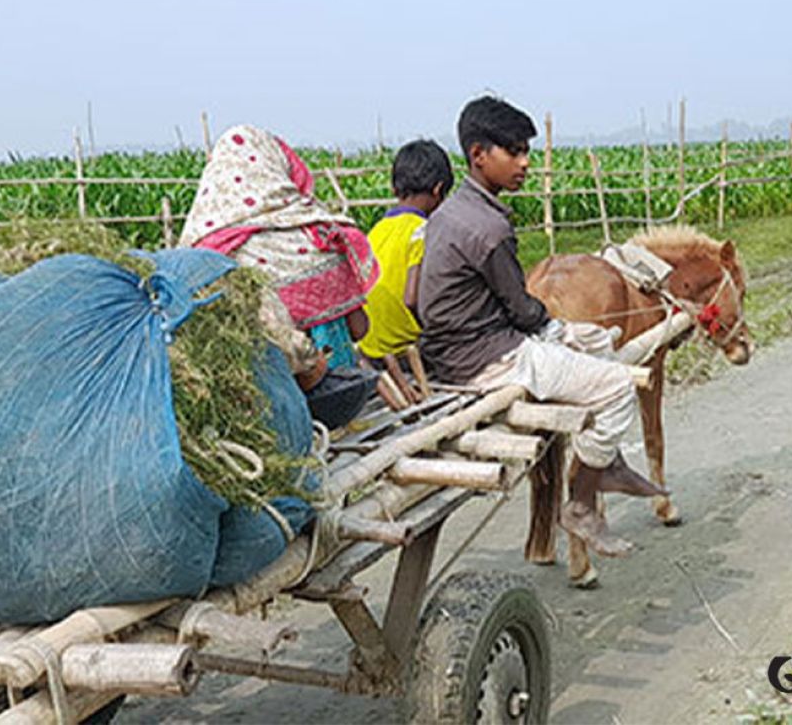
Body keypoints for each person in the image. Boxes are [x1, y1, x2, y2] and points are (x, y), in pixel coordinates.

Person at [417, 96, 667, 557]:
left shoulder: (448, 214)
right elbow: (521, 309)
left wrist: (566, 334)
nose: (525, 163)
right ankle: (584, 503)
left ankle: (607, 460)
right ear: (479, 155)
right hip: (490, 359)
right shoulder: (488, 229)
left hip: (457, 351)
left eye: (526, 151)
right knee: (615, 386)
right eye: (514, 151)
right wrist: (556, 333)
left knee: (595, 341)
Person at [178, 125, 379, 383]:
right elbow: (359, 328)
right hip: (333, 395)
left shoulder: (199, 254)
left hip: (249, 399)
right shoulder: (318, 238)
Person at [357, 139, 454, 360]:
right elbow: (411, 299)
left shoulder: (375, 231)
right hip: (405, 351)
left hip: (370, 348)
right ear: (438, 190)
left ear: (394, 188)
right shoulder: (421, 232)